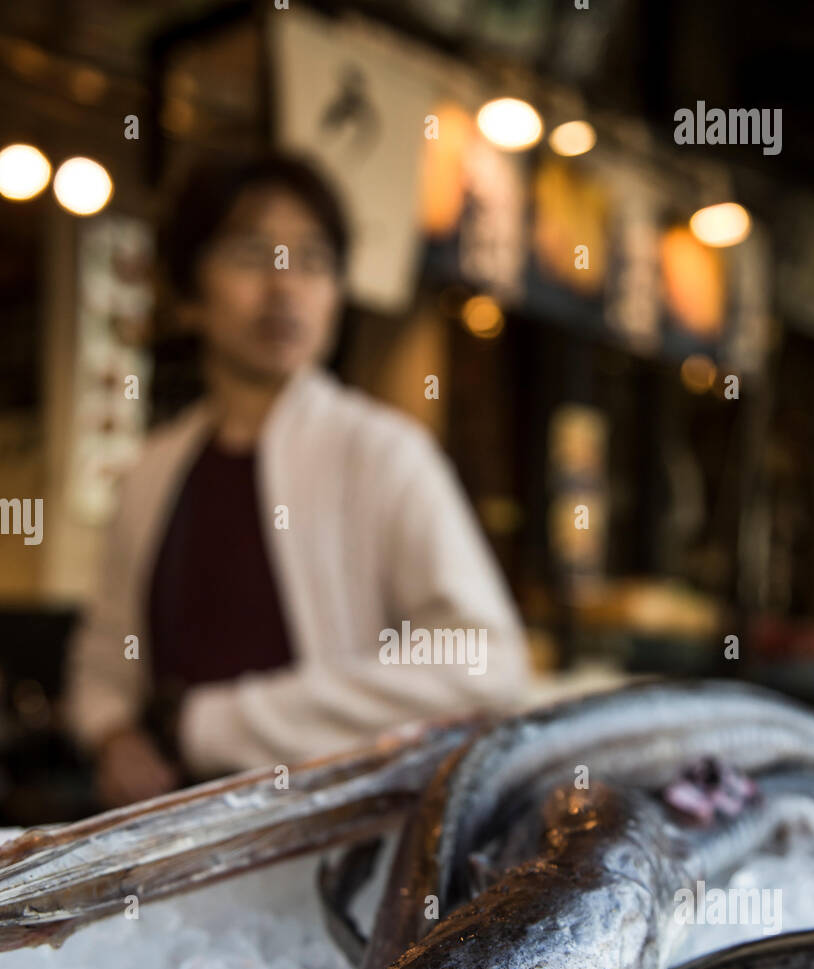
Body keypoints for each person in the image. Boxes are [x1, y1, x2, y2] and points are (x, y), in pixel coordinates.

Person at [63, 153, 529, 808]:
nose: (285, 286)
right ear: (189, 297)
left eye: (312, 261)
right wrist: (112, 733)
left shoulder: (383, 452)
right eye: (253, 255)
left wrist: (213, 723)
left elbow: (487, 662)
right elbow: (107, 652)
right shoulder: (152, 468)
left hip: (336, 848)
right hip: (170, 844)